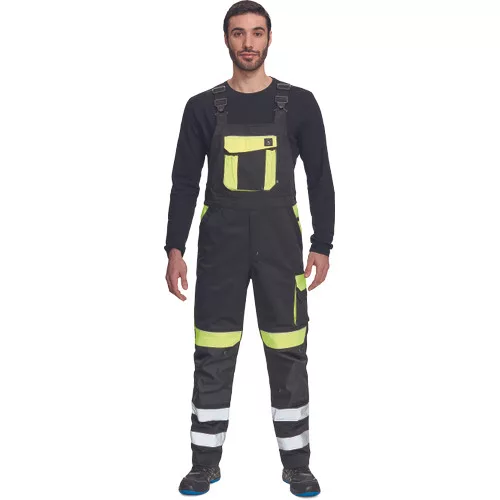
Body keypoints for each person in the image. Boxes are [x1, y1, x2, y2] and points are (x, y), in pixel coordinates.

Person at [164, 1, 335, 496]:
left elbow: (320, 178)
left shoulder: (300, 104)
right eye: (238, 33)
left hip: (281, 249)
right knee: (212, 352)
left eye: (257, 33)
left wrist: (322, 243)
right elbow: (184, 182)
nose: (248, 43)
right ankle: (204, 463)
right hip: (220, 250)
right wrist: (174, 248)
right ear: (226, 39)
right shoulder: (202, 107)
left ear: (269, 39)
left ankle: (297, 465)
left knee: (288, 352)